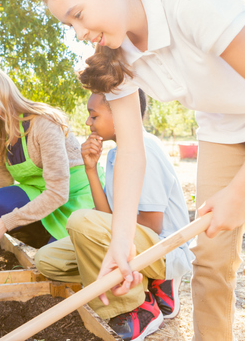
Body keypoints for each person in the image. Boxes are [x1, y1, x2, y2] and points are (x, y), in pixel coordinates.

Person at [44, 0, 245, 340]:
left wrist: (240, 194)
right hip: (224, 124)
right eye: (70, 25)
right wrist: (121, 244)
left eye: (79, 14)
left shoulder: (189, 5)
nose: (79, 32)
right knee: (210, 260)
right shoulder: (116, 58)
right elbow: (132, 153)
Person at [35, 90, 193, 341]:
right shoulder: (113, 155)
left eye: (93, 115)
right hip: (130, 241)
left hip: (163, 248)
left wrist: (101, 227)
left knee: (80, 222)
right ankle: (144, 285)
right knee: (47, 259)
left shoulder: (146, 148)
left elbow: (152, 224)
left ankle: (139, 308)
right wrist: (90, 169)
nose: (88, 122)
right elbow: (108, 217)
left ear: (120, 114)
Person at [0, 68, 103, 254]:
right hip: (43, 194)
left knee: (54, 258)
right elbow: (1, 186)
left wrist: (4, 224)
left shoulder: (43, 124)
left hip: (75, 195)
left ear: (0, 96)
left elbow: (59, 193)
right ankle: (43, 238)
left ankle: (56, 241)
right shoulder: (1, 135)